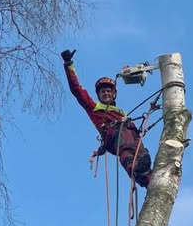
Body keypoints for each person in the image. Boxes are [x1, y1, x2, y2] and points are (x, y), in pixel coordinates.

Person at [60, 49, 152, 188]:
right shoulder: (94, 108)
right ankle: (135, 170)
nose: (106, 93)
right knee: (126, 149)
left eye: (109, 91)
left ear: (114, 94)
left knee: (142, 153)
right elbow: (77, 90)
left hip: (133, 138)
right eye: (103, 92)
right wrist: (68, 64)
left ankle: (148, 179)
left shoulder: (122, 113)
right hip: (116, 137)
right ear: (98, 95)